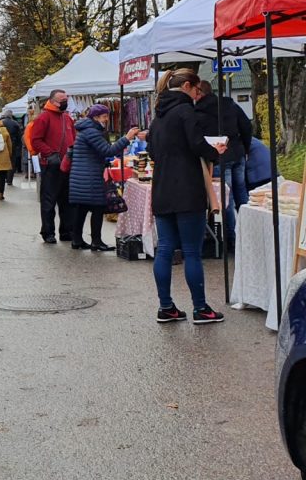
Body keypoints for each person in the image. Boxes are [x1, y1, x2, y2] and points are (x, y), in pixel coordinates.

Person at [147, 68, 226, 324]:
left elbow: (152, 152)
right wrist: (215, 151)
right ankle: (201, 308)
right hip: (187, 188)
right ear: (187, 87)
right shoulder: (185, 112)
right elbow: (196, 144)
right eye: (196, 90)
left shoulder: (158, 116)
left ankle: (166, 306)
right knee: (192, 251)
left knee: (165, 249)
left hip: (161, 189)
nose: (197, 95)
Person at [69, 104, 139, 251]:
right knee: (98, 207)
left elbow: (94, 153)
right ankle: (96, 241)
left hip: (81, 176)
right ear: (96, 117)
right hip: (89, 177)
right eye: (104, 116)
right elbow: (107, 150)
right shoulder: (92, 132)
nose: (107, 119)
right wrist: (126, 138)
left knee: (81, 208)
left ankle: (77, 240)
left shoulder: (85, 130)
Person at [194, 81, 254, 243]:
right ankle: (249, 232)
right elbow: (246, 126)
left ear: (199, 93)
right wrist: (245, 148)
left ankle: (231, 238)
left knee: (227, 198)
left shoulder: (198, 112)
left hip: (219, 157)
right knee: (242, 194)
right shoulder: (230, 104)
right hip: (238, 153)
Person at [30, 89, 76, 244]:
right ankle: (48, 232)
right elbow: (35, 139)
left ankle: (66, 231)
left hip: (67, 165)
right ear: (53, 101)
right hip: (51, 165)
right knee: (49, 201)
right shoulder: (43, 117)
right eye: (62, 99)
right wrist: (50, 153)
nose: (65, 101)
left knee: (67, 201)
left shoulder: (67, 118)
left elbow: (74, 139)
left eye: (66, 98)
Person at [1, 109, 23, 186]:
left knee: (3, 161)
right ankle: (10, 179)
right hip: (13, 144)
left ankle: (4, 178)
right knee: (12, 162)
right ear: (11, 115)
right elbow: (19, 136)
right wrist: (19, 146)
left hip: (2, 144)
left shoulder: (1, 123)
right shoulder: (15, 123)